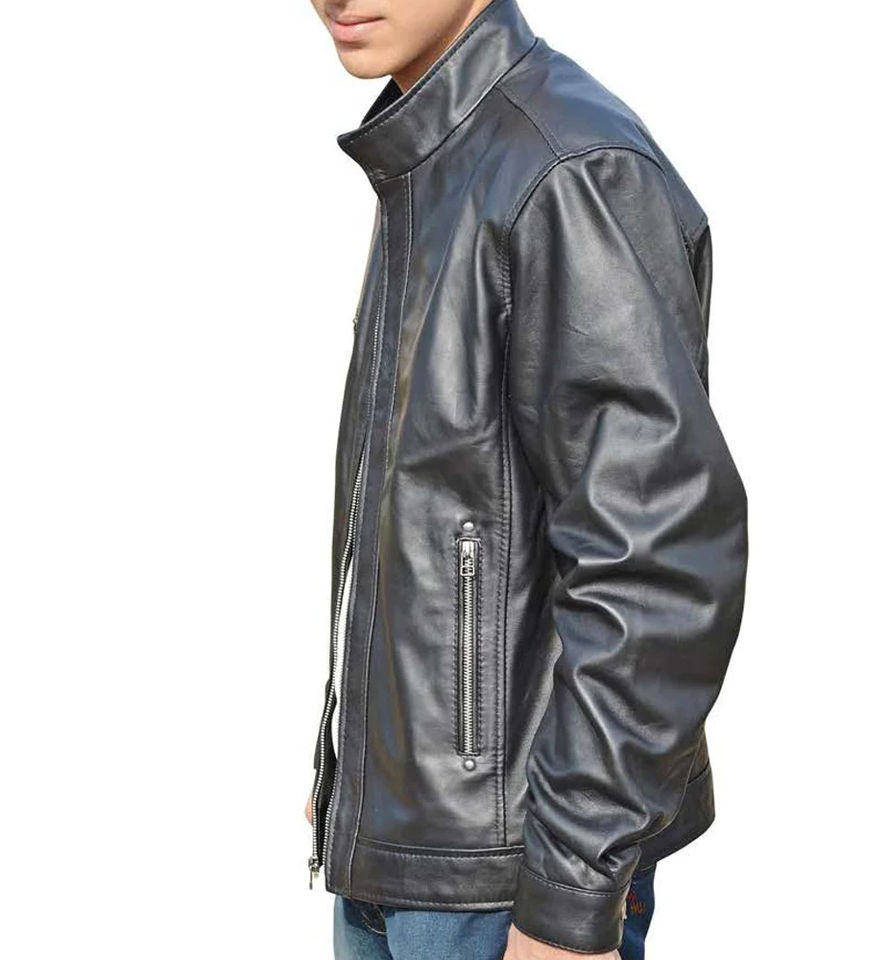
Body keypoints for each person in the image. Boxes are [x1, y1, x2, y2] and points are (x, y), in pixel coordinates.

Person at [304, 1, 748, 957]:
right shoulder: (440, 155)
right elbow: (440, 514)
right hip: (407, 848)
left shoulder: (565, 168)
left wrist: (570, 889)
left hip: (508, 876)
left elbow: (657, 560)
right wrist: (361, 775)